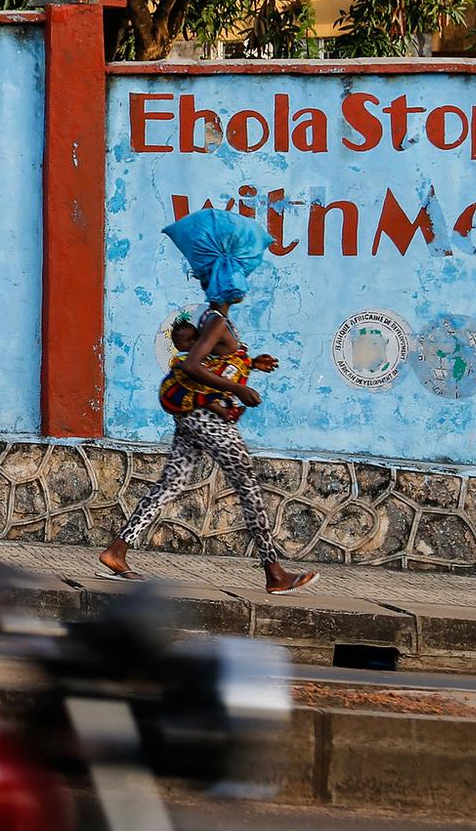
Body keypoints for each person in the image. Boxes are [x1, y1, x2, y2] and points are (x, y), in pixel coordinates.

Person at [98, 211, 315, 595]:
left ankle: (117, 551)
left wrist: (254, 364)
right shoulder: (215, 320)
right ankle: (275, 573)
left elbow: (217, 361)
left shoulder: (215, 320)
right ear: (229, 277)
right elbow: (195, 366)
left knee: (172, 482)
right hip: (208, 419)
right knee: (247, 484)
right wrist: (239, 392)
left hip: (193, 419)